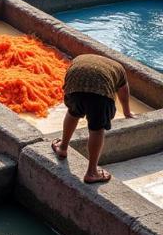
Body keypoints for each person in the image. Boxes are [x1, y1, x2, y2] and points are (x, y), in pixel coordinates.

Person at [52, 54, 135, 184]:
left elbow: (68, 79)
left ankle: (62, 148)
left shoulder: (81, 58)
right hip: (100, 93)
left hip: (75, 85)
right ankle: (92, 172)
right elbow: (123, 91)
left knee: (73, 112)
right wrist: (127, 112)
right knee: (96, 129)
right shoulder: (119, 69)